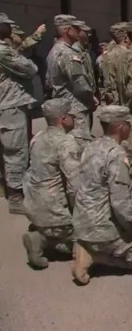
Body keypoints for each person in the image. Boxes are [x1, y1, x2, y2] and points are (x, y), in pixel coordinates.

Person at [72, 105, 132, 285]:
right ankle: (96, 256)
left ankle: (87, 247)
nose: (131, 128)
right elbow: (119, 202)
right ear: (121, 127)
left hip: (83, 222)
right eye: (129, 124)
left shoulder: (91, 146)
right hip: (102, 228)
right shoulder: (116, 154)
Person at [22, 99, 81, 269]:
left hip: (33, 204)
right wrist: (82, 216)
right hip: (54, 211)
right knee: (93, 238)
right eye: (71, 115)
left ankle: (43, 232)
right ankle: (43, 240)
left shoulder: (38, 138)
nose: (74, 118)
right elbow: (74, 186)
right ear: (63, 119)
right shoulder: (65, 142)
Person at [0, 15, 39, 214]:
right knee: (16, 151)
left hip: (5, 105)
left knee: (6, 149)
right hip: (10, 107)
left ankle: (5, 188)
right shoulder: (3, 51)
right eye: (7, 24)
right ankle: (16, 197)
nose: (10, 27)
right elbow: (30, 69)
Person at [46, 14, 95, 142]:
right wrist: (91, 99)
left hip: (63, 106)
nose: (79, 32)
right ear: (67, 30)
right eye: (76, 29)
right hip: (75, 108)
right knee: (80, 144)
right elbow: (80, 84)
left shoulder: (54, 50)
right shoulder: (68, 53)